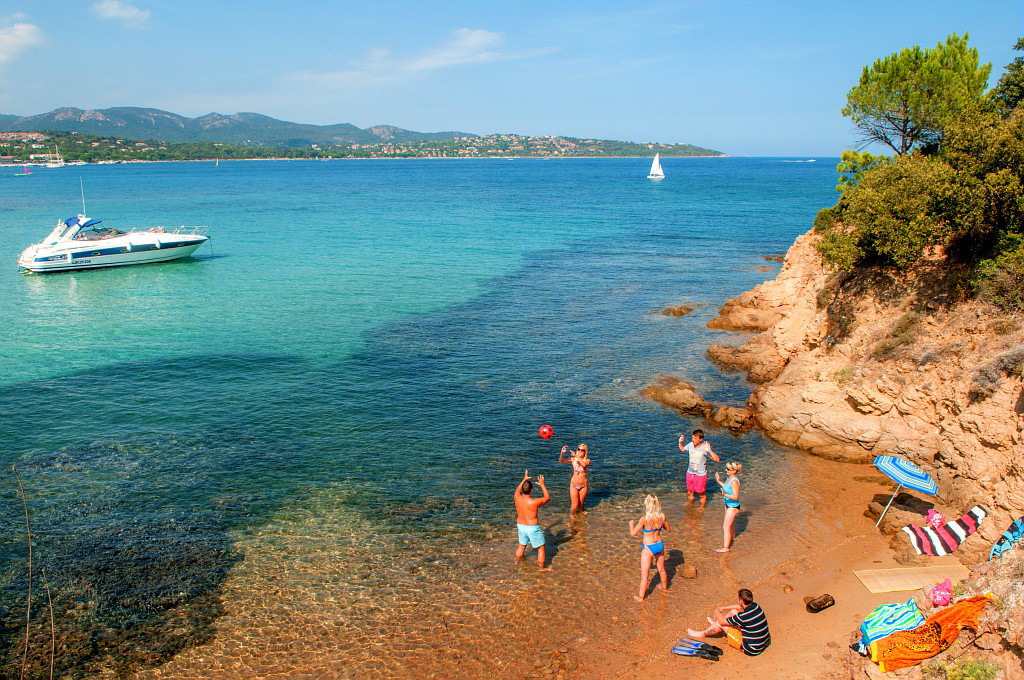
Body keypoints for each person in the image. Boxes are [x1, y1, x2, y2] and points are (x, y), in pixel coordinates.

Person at [687, 588, 771, 656]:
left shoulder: (742, 617)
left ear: (741, 600)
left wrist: (717, 611)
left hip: (751, 648)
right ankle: (715, 627)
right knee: (734, 611)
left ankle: (703, 633)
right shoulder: (756, 606)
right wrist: (723, 608)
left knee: (721, 623)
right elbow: (738, 608)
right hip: (763, 642)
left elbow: (722, 622)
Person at [628, 494, 671, 602]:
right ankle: (665, 588)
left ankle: (641, 597)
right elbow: (668, 529)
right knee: (661, 569)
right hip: (659, 545)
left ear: (647, 505)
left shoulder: (644, 519)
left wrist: (631, 525)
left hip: (648, 548)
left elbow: (633, 534)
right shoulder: (662, 516)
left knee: (644, 575)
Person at [514, 469, 551, 570]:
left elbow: (517, 491)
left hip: (521, 526)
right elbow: (547, 498)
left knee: (521, 546)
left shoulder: (517, 497)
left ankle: (516, 562)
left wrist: (524, 479)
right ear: (531, 490)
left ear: (522, 489)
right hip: (532, 527)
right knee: (541, 548)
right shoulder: (534, 502)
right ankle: (541, 569)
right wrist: (542, 485)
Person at [680, 429, 719, 509]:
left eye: (695, 438)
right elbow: (682, 449)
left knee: (701, 494)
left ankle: (701, 509)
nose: (692, 440)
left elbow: (717, 459)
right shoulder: (690, 445)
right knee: (690, 492)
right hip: (690, 473)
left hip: (700, 475)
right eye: (692, 437)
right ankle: (690, 507)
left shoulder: (705, 448)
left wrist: (710, 451)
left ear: (700, 439)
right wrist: (680, 442)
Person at [715, 461, 742, 552]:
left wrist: (725, 494)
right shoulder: (729, 478)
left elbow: (735, 496)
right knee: (731, 523)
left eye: (728, 469)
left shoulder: (734, 482)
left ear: (734, 471)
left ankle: (726, 547)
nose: (725, 470)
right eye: (726, 468)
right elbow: (726, 486)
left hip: (732, 507)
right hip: (728, 505)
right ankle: (732, 537)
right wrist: (719, 481)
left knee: (725, 527)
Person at [558, 443, 590, 514]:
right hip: (574, 485)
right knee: (574, 505)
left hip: (583, 485)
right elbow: (561, 461)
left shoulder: (587, 460)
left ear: (585, 452)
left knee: (581, 502)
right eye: (579, 449)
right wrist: (562, 453)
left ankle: (580, 512)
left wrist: (576, 456)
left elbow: (584, 465)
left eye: (582, 450)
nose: (580, 451)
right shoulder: (573, 459)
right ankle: (571, 515)